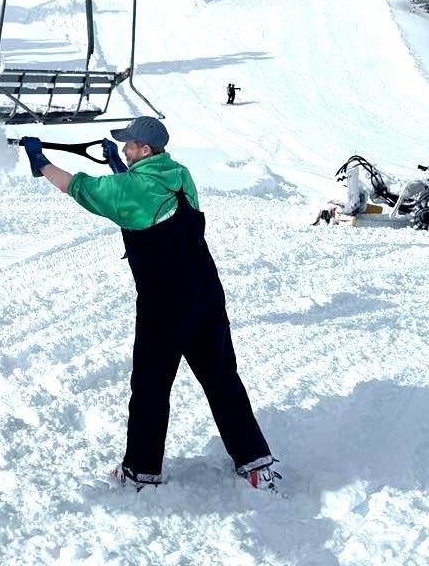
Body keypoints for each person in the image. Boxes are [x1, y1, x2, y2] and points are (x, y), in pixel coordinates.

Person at [20, 117, 279, 492]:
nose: (124, 148)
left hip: (166, 302)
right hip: (207, 293)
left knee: (151, 385)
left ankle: (141, 470)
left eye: (129, 144)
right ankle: (256, 464)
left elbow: (78, 187)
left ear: (145, 149)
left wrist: (40, 161)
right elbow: (145, 196)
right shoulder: (180, 174)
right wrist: (120, 168)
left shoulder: (132, 188)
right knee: (222, 378)